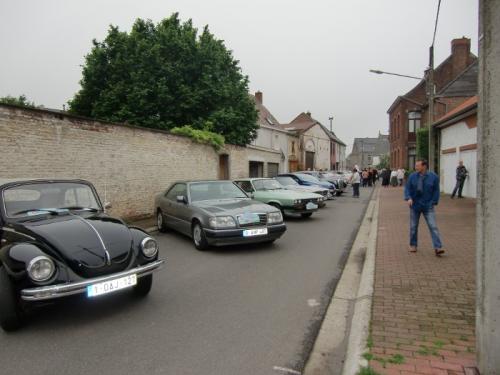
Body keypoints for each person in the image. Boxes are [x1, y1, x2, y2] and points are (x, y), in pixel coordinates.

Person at [404, 159, 444, 256]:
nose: (416, 167)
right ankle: (413, 245)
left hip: (428, 205)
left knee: (433, 226)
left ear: (424, 166)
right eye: (416, 165)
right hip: (415, 205)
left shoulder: (433, 177)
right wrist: (408, 198)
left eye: (418, 166)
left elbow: (436, 190)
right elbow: (407, 188)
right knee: (413, 227)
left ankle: (437, 247)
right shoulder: (412, 176)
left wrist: (434, 201)